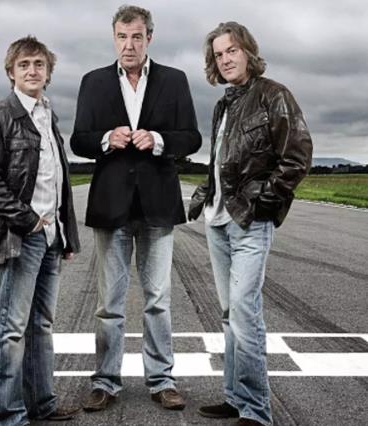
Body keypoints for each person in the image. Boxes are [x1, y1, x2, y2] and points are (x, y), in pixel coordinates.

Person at [71, 4, 202, 412]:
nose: (129, 45)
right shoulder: (93, 81)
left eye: (137, 37)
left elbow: (193, 137)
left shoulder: (174, 80)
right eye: (122, 37)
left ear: (149, 38)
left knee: (158, 298)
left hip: (157, 204)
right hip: (111, 204)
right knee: (109, 303)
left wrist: (159, 140)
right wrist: (106, 138)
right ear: (114, 38)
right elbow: (78, 140)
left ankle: (162, 380)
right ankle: (105, 381)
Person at [188, 22, 312, 426]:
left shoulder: (274, 95)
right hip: (217, 220)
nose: (225, 59)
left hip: (249, 221)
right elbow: (220, 162)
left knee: (245, 313)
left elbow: (297, 156)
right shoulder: (223, 104)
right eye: (218, 54)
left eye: (232, 50)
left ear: (248, 52)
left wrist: (263, 201)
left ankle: (256, 411)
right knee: (229, 314)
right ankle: (235, 397)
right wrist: (205, 195)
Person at [0, 35, 80, 425]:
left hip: (51, 236)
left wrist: (66, 235)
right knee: (10, 329)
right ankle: (6, 415)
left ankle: (41, 404)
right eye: (24, 65)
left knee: (41, 326)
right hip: (23, 236)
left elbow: (58, 180)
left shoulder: (48, 115)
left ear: (48, 72)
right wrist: (27, 219)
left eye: (39, 64)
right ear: (10, 72)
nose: (32, 71)